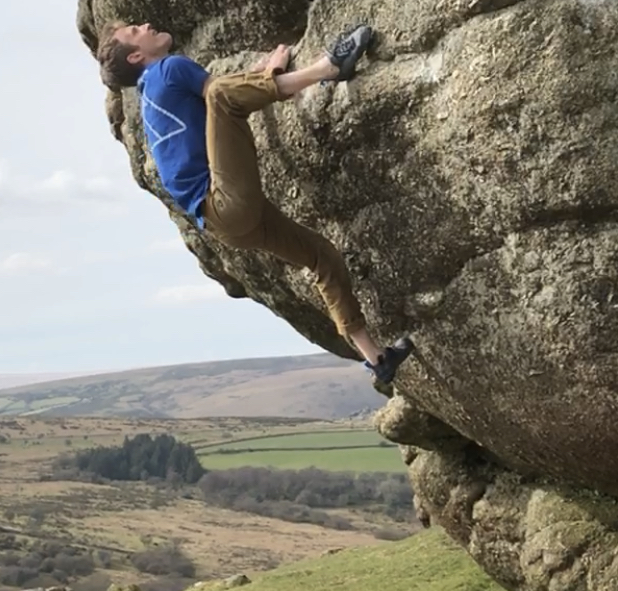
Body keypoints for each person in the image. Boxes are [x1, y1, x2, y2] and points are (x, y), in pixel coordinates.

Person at [96, 21, 415, 386]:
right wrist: (271, 72)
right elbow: (222, 96)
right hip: (223, 200)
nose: (147, 25)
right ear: (137, 55)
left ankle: (377, 359)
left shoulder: (150, 91)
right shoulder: (169, 68)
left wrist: (265, 74)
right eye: (136, 31)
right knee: (221, 97)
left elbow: (224, 105)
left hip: (223, 225)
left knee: (322, 257)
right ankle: (328, 68)